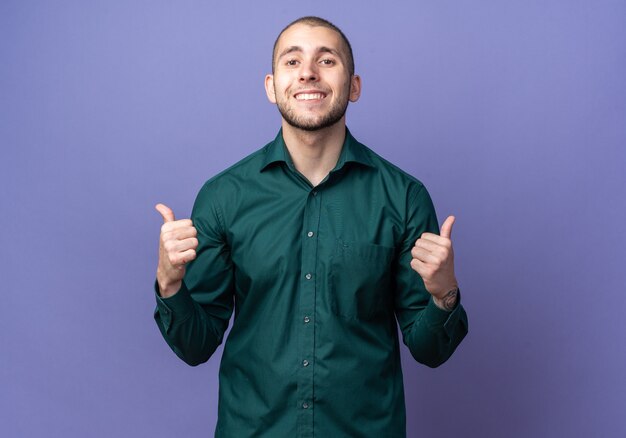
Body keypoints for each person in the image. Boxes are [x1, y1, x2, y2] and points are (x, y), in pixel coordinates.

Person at [154, 16, 468, 437]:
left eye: (327, 60)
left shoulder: (403, 198)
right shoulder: (223, 197)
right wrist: (169, 284)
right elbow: (196, 346)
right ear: (271, 86)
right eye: (292, 61)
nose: (308, 72)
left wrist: (444, 293)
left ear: (354, 86)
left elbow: (430, 352)